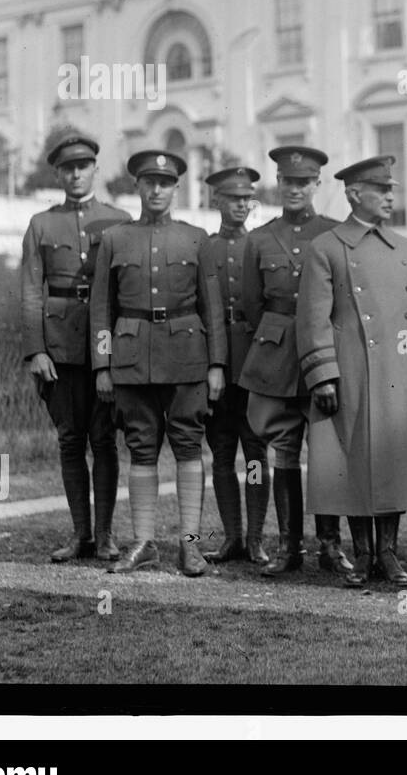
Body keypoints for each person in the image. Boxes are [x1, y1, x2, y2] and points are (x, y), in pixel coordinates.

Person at [297, 155, 407, 587]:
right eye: (381, 190)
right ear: (355, 194)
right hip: (350, 370)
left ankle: (389, 553)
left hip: (399, 372)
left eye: (392, 189)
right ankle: (361, 554)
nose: (390, 196)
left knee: (393, 460)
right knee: (352, 463)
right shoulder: (327, 247)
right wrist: (323, 374)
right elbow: (313, 318)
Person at [91, 150, 227, 576]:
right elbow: (101, 309)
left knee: (188, 446)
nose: (156, 190)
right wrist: (101, 364)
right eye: (148, 182)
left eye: (164, 183)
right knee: (141, 448)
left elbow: (213, 307)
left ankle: (190, 546)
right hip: (131, 358)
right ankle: (144, 542)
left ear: (175, 188)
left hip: (187, 356)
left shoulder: (196, 238)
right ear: (137, 186)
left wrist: (217, 364)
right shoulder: (115, 239)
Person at [20, 132, 130, 562]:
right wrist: (36, 350)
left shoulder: (118, 219)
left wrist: (119, 350)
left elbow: (124, 289)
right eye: (67, 168)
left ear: (94, 170)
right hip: (60, 348)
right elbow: (30, 292)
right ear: (59, 173)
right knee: (69, 440)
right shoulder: (41, 224)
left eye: (82, 166)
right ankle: (79, 534)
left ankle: (105, 536)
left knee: (103, 440)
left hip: (104, 349)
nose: (76, 174)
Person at [238, 146, 343, 577]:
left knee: (328, 455)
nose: (295, 188)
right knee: (283, 453)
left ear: (317, 184)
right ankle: (289, 548)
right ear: (277, 183)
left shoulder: (335, 234)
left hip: (323, 360)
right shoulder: (260, 239)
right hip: (277, 359)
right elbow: (250, 304)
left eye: (304, 182)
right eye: (288, 181)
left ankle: (331, 547)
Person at [198, 166, 272, 565]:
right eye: (233, 199)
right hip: (215, 364)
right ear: (217, 202)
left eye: (247, 198)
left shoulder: (260, 244)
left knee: (256, 453)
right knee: (221, 454)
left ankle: (257, 537)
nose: (241, 205)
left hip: (253, 362)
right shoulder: (204, 248)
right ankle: (232, 537)